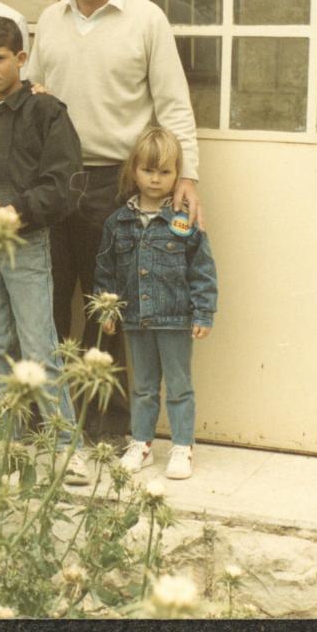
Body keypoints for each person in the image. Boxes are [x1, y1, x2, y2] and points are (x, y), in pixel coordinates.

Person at [26, 0, 202, 434]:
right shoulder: (51, 20)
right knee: (51, 301)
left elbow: (173, 104)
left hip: (117, 184)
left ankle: (109, 428)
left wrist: (187, 176)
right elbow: (34, 94)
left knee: (110, 307)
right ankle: (50, 422)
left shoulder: (146, 20)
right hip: (56, 182)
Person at [0, 16, 89, 484]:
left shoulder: (47, 112)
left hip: (26, 242)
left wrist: (19, 212)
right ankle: (4, 439)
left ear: (20, 57)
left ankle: (64, 446)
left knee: (39, 345)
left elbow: (64, 182)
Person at [94, 126, 217, 479]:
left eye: (165, 172)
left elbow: (202, 269)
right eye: (148, 170)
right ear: (134, 170)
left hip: (175, 318)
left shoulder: (184, 221)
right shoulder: (118, 223)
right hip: (135, 319)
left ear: (177, 174)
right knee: (143, 385)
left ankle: (182, 446)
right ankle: (142, 443)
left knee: (179, 385)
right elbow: (106, 269)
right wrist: (107, 309)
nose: (155, 179)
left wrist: (203, 312)